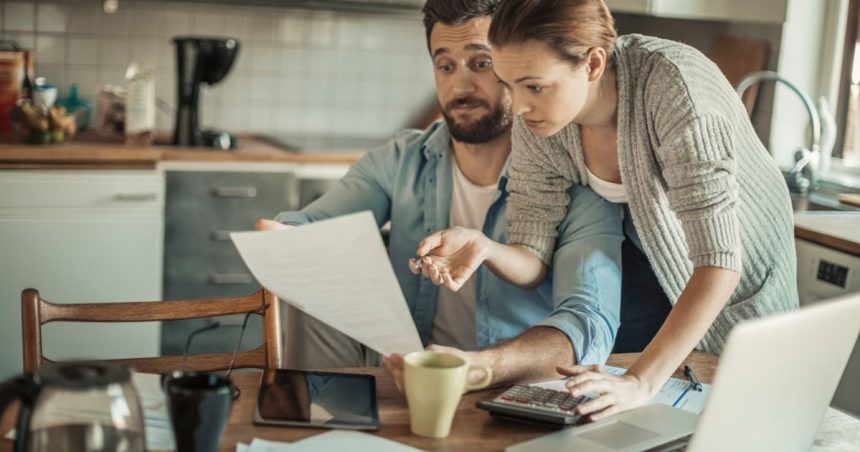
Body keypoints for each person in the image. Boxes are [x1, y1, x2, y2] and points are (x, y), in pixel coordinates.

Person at [414, 0, 798, 419]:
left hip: (738, 286)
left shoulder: (674, 89)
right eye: (508, 84)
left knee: (747, 416)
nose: (518, 108)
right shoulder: (541, 124)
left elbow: (720, 262)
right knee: (628, 417)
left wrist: (640, 381)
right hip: (648, 268)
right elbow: (532, 255)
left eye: (534, 86)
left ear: (593, 64)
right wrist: (486, 247)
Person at [259, 0, 623, 389]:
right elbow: (310, 226)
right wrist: (286, 239)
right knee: (311, 269)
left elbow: (589, 324)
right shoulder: (401, 160)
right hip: (407, 390)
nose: (460, 86)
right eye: (445, 65)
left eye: (481, 64)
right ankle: (320, 422)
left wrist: (480, 367)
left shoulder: (578, 178)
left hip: (510, 394)